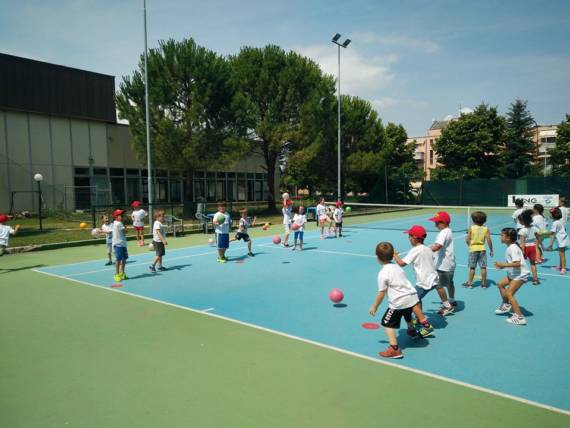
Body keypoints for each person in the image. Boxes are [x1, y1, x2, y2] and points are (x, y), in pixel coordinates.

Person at [369, 242, 434, 359]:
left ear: (378, 258)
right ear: (392, 255)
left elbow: (381, 293)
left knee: (387, 323)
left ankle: (394, 349)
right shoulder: (397, 267)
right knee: (407, 315)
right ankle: (412, 331)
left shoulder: (383, 273)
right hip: (411, 297)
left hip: (399, 302)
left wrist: (375, 306)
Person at [393, 225, 454, 316]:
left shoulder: (415, 250)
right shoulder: (428, 248)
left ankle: (420, 318)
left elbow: (402, 263)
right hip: (433, 277)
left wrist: (395, 255)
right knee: (439, 287)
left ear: (414, 238)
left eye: (409, 236)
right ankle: (447, 305)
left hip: (424, 282)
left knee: (414, 299)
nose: (409, 238)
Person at [494, 228, 530, 325]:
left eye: (502, 235)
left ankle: (519, 317)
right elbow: (511, 262)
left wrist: (503, 265)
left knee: (509, 293)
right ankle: (506, 305)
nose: (500, 237)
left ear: (508, 238)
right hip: (514, 273)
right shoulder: (510, 247)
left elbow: (517, 264)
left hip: (520, 274)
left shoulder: (513, 248)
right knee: (500, 284)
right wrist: (502, 267)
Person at [429, 211, 457, 311]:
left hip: (443, 266)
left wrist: (425, 251)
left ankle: (447, 306)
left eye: (437, 222)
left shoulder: (443, 232)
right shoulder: (449, 231)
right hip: (450, 264)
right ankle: (452, 300)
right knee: (450, 283)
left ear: (444, 222)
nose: (435, 224)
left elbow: (438, 246)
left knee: (438, 285)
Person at [463, 211, 493, 288]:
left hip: (473, 250)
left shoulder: (471, 228)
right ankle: (484, 284)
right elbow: (489, 240)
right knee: (483, 267)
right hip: (482, 249)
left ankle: (470, 283)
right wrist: (491, 250)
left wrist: (470, 245)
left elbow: (467, 239)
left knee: (472, 267)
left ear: (473, 220)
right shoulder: (486, 229)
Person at [518, 209, 541, 285]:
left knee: (520, 263)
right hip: (533, 247)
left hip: (525, 248)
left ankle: (520, 277)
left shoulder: (522, 231)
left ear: (523, 221)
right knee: (533, 264)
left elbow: (522, 243)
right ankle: (535, 280)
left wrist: (522, 251)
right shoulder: (535, 229)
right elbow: (538, 239)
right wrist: (536, 247)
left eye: (520, 221)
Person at [547, 207, 568, 275]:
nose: (550, 215)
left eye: (551, 214)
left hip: (562, 239)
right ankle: (560, 266)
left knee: (562, 254)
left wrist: (542, 234)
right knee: (560, 253)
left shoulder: (555, 223)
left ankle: (563, 268)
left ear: (553, 215)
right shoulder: (558, 221)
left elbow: (552, 233)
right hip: (561, 239)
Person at [112, 209, 128, 282]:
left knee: (124, 259)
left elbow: (124, 233)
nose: (123, 216)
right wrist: (126, 228)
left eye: (123, 215)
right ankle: (116, 274)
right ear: (116, 216)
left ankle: (122, 273)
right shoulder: (118, 223)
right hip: (118, 244)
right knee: (118, 260)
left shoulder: (118, 222)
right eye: (121, 215)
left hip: (123, 243)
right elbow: (125, 232)